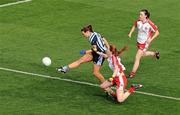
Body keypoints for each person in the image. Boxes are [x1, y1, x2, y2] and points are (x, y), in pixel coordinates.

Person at [128, 9, 160, 78]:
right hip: (139, 41)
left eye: (141, 14)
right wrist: (130, 33)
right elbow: (134, 25)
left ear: (146, 16)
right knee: (142, 54)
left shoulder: (149, 24)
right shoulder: (138, 21)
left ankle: (132, 73)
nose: (139, 16)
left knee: (137, 57)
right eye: (139, 14)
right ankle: (154, 53)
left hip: (145, 43)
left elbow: (157, 32)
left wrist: (150, 39)